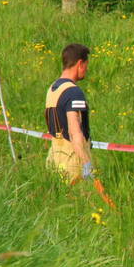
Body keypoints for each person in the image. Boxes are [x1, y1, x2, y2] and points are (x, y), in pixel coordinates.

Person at [45, 43, 94, 183]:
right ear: (80, 63)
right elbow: (74, 131)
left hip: (55, 160)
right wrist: (86, 164)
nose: (86, 69)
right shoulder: (73, 92)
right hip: (72, 164)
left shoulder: (53, 89)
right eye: (86, 64)